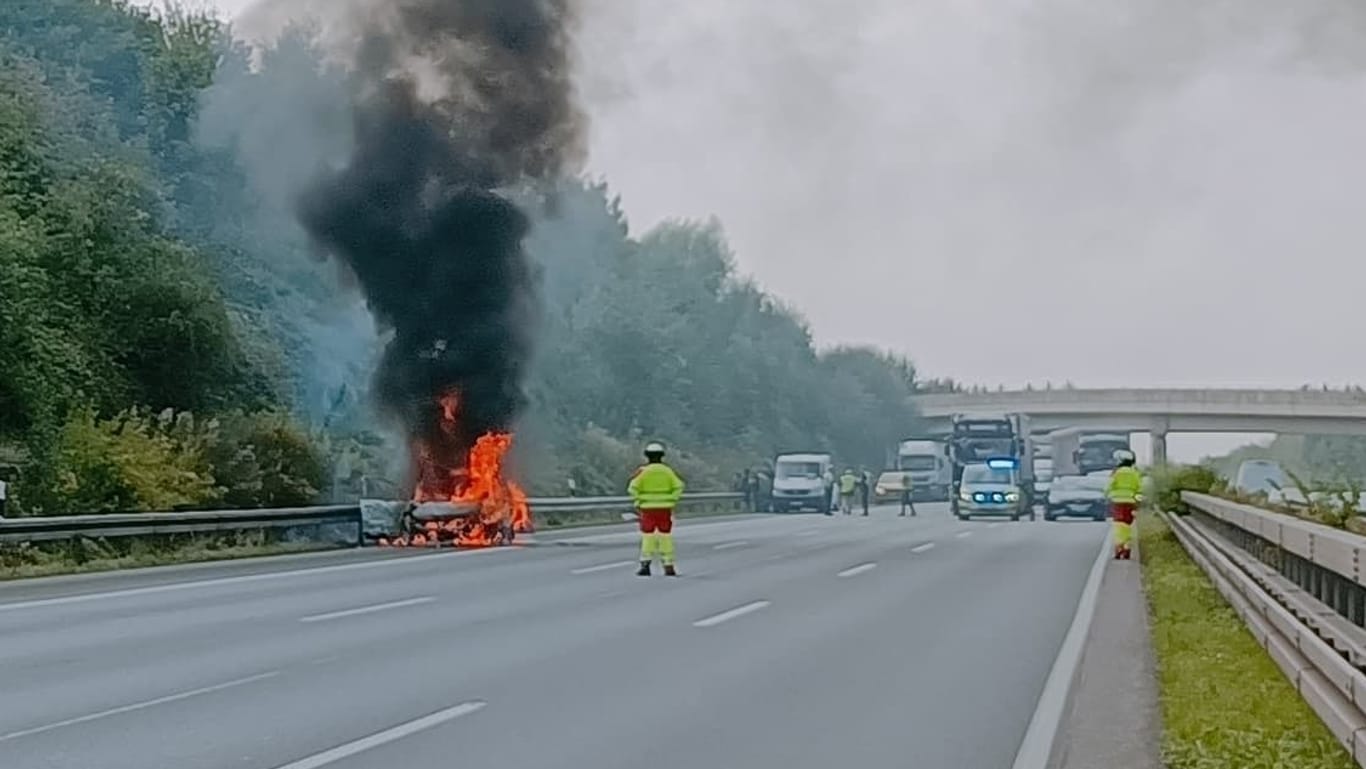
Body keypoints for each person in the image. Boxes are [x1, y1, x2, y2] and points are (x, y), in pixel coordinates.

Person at [628, 441, 685, 576]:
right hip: (664, 509)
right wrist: (672, 499)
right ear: (662, 456)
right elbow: (679, 486)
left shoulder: (643, 471)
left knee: (648, 535)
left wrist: (638, 500)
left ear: (647, 456)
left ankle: (645, 564)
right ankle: (668, 564)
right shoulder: (667, 471)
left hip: (647, 509)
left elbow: (632, 488)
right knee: (665, 535)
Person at [1107, 449, 1143, 560]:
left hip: (1117, 503)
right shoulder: (1135, 473)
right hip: (1130, 503)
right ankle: (1127, 547)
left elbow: (1108, 487)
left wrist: (1108, 496)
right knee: (1127, 525)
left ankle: (1119, 547)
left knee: (1119, 525)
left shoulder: (1116, 473)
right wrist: (1138, 501)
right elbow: (1140, 488)